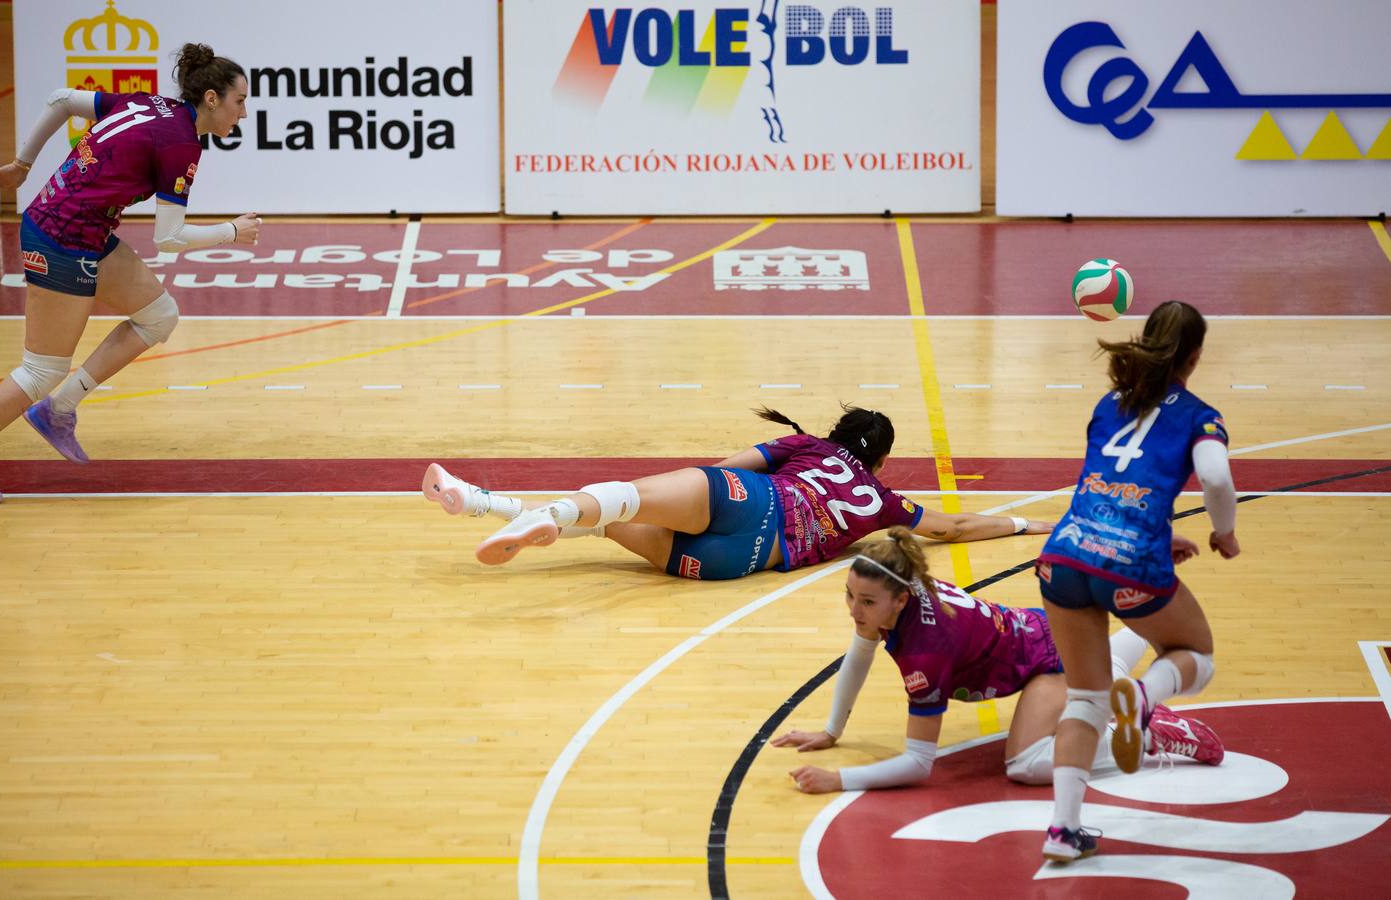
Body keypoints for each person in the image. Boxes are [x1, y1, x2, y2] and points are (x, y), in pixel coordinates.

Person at [0, 43, 262, 506]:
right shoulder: (181, 144)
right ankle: (51, 399)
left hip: (78, 227)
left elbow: (60, 99)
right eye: (240, 102)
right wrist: (231, 231)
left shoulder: (148, 102)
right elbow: (169, 238)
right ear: (212, 98)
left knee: (159, 315)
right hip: (62, 237)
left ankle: (60, 410)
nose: (243, 113)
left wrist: (22, 166)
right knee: (41, 370)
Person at [770, 528, 1223, 794]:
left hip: (1055, 660)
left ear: (900, 599)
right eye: (849, 595)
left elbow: (918, 763)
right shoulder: (900, 587)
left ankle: (1151, 735)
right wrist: (831, 731)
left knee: (1024, 767)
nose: (854, 609)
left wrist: (838, 779)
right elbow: (861, 650)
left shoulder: (926, 651)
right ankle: (1122, 666)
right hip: (1048, 629)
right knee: (1103, 660)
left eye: (865, 602)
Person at [1034, 300, 1239, 863]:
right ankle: (1146, 697)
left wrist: (1158, 527)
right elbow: (1217, 477)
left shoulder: (1108, 402)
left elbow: (1112, 480)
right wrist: (1224, 532)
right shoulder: (1200, 414)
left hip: (1065, 556)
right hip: (1129, 564)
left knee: (1085, 698)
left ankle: (1063, 830)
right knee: (1197, 652)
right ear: (1195, 357)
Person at [421, 405, 1054, 578]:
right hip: (742, 562)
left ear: (836, 434)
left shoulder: (807, 445)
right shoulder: (884, 503)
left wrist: (692, 492)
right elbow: (955, 529)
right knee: (606, 520)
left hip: (749, 500)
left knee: (612, 499)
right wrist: (1029, 527)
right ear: (881, 463)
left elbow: (729, 467)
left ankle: (509, 510)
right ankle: (488, 506)